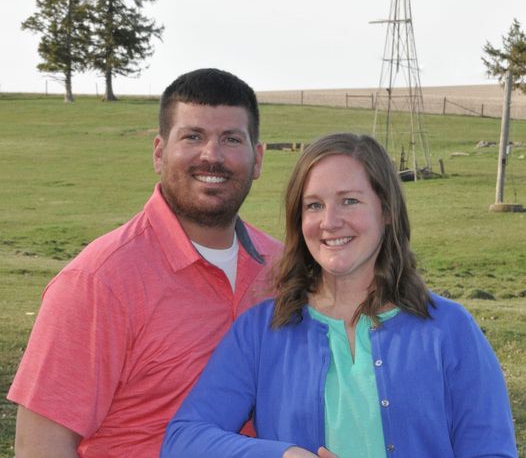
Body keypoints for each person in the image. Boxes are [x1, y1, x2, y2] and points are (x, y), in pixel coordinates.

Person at [161, 132, 518, 458]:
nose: (330, 222)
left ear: (388, 211)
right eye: (314, 205)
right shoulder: (260, 332)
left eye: (349, 201)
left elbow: (491, 450)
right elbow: (184, 439)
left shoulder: (451, 330)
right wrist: (281, 456)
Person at [8, 68, 282, 457]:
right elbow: (41, 445)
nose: (212, 155)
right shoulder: (98, 281)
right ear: (159, 152)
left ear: (256, 159)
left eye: (231, 139)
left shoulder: (284, 267)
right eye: (192, 136)